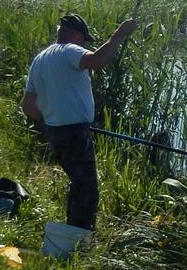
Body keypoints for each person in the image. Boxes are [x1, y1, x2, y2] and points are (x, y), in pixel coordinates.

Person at [20, 13, 137, 231]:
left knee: (78, 183)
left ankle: (72, 232)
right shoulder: (69, 50)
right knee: (87, 188)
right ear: (75, 35)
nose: (84, 45)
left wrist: (51, 122)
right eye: (84, 41)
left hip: (56, 133)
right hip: (74, 132)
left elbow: (27, 105)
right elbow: (97, 61)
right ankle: (78, 240)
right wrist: (120, 34)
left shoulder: (40, 59)